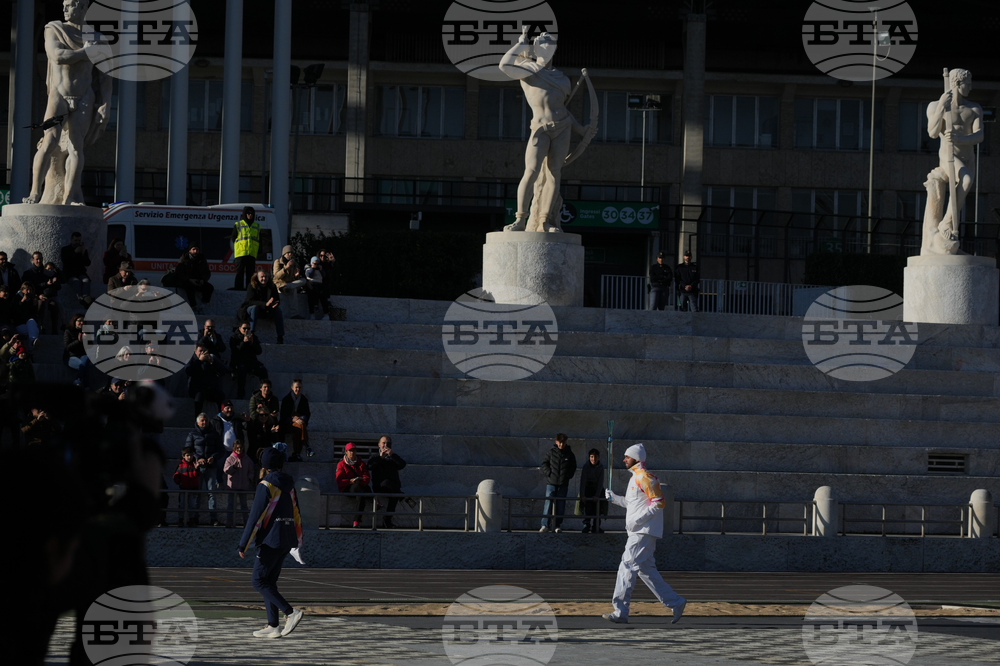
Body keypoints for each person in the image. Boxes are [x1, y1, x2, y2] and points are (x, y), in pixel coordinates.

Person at [499, 30, 592, 232]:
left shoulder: (562, 78)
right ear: (535, 48)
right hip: (540, 128)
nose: (546, 48)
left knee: (553, 173)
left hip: (563, 127)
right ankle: (520, 220)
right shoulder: (528, 69)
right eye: (542, 45)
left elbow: (562, 108)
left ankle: (545, 220)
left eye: (550, 45)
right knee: (531, 172)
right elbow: (504, 65)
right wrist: (522, 43)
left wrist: (580, 128)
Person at [22, 0, 112, 206]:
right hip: (59, 95)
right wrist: (86, 52)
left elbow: (106, 77)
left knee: (76, 148)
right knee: (49, 142)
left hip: (84, 98)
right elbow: (58, 56)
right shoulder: (54, 29)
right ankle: (35, 193)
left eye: (70, 5)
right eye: (63, 4)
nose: (64, 9)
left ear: (83, 8)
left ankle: (69, 197)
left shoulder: (98, 39)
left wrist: (106, 103)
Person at [602, 443, 686, 625]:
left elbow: (659, 502)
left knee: (627, 566)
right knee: (646, 571)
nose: (624, 459)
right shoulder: (634, 479)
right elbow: (631, 504)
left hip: (643, 532)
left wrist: (638, 520)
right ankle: (676, 602)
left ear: (636, 458)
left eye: (627, 456)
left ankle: (620, 611)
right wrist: (614, 498)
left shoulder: (647, 478)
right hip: (638, 531)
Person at [238, 447, 304, 639]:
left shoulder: (265, 485)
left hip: (270, 540)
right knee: (269, 582)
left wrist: (243, 543)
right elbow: (297, 513)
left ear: (264, 466)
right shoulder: (289, 484)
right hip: (286, 539)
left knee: (258, 580)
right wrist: (298, 540)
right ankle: (273, 625)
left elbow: (255, 516)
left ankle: (290, 612)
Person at [921, 68, 985, 255]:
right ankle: (947, 223)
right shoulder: (935, 105)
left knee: (965, 184)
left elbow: (979, 135)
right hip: (948, 156)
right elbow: (932, 133)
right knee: (965, 180)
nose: (971, 88)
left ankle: (948, 225)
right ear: (957, 84)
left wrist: (959, 139)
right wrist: (941, 106)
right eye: (968, 83)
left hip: (968, 156)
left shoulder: (974, 109)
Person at [187, 412, 224, 526]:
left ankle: (213, 518)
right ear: (197, 422)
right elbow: (187, 450)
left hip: (211, 467)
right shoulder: (192, 434)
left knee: (211, 493)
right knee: (197, 493)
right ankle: (194, 517)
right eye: (202, 420)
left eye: (206, 420)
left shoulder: (214, 434)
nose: (204, 422)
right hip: (198, 467)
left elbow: (221, 450)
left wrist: (213, 457)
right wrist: (198, 458)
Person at [539, 432, 577, 533]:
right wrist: (549, 473)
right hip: (551, 482)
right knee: (548, 503)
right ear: (556, 442)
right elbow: (544, 463)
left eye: (563, 443)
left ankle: (557, 525)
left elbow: (573, 466)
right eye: (560, 442)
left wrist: (568, 476)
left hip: (563, 484)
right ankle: (545, 525)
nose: (561, 445)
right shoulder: (551, 452)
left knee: (561, 504)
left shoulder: (569, 454)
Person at [368, 435, 407, 528]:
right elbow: (369, 466)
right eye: (383, 443)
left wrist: (392, 456)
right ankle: (400, 495)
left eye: (388, 443)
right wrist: (380, 458)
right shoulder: (375, 457)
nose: (386, 445)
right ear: (379, 445)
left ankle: (387, 520)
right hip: (380, 487)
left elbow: (402, 464)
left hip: (392, 488)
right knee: (390, 485)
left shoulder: (393, 456)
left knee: (395, 496)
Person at [240, 270, 284, 345]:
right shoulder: (252, 285)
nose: (264, 279)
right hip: (252, 309)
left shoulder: (272, 286)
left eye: (266, 277)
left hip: (267, 310)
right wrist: (265, 304)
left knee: (278, 311)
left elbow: (277, 299)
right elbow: (249, 301)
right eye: (262, 277)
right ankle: (252, 333)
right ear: (257, 278)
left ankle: (280, 336)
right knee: (254, 308)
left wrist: (275, 304)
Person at [185, 343, 228, 416]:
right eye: (200, 351)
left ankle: (221, 417)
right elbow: (189, 371)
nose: (202, 353)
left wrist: (212, 362)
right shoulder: (191, 359)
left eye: (204, 350)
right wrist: (199, 361)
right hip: (196, 389)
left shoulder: (211, 358)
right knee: (199, 397)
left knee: (221, 396)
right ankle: (197, 420)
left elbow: (223, 372)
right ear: (195, 351)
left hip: (210, 389)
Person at [336, 442, 371, 528]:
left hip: (359, 486)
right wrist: (350, 481)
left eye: (354, 450)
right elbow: (339, 480)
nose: (352, 453)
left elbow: (367, 477)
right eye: (350, 450)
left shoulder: (361, 463)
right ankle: (373, 500)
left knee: (361, 494)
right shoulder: (341, 464)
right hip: (347, 487)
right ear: (346, 452)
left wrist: (361, 480)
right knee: (361, 489)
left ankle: (356, 521)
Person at [230, 322, 268, 400]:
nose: (246, 330)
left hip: (252, 362)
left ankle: (263, 393)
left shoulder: (253, 337)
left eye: (248, 328)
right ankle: (240, 394)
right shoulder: (234, 338)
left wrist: (252, 343)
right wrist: (243, 342)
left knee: (263, 371)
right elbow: (236, 352)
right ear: (240, 328)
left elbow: (259, 351)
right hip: (239, 362)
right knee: (242, 370)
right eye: (244, 328)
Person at [223, 440, 256, 527]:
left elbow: (251, 471)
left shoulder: (247, 459)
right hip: (232, 486)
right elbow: (226, 470)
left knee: (244, 505)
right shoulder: (229, 459)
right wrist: (233, 467)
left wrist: (249, 479)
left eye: (241, 448)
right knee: (231, 505)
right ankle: (229, 521)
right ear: (234, 448)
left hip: (243, 486)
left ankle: (246, 522)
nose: (239, 449)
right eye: (237, 448)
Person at [280, 379, 313, 462]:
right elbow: (283, 416)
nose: (298, 389)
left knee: (300, 425)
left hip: (300, 422)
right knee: (300, 427)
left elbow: (307, 414)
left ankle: (298, 452)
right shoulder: (286, 399)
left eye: (300, 387)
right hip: (288, 423)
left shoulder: (304, 399)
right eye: (296, 387)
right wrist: (293, 419)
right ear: (292, 388)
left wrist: (301, 419)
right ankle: (306, 446)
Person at [175, 245, 214, 313]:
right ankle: (193, 306)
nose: (195, 251)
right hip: (187, 281)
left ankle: (202, 306)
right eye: (194, 249)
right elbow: (179, 273)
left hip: (198, 281)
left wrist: (203, 280)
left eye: (197, 249)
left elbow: (207, 272)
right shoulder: (184, 259)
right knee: (189, 287)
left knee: (209, 288)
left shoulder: (202, 259)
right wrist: (189, 279)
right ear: (190, 250)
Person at [231, 206, 260, 291]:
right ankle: (238, 290)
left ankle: (249, 290)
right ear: (244, 214)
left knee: (250, 275)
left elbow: (259, 240)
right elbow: (233, 238)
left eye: (251, 214)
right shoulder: (238, 225)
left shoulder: (257, 226)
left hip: (251, 254)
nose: (250, 215)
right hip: (241, 254)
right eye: (248, 213)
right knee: (239, 273)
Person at [273, 246, 306, 319]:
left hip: (289, 285)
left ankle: (287, 286)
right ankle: (294, 314)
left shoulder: (294, 263)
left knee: (303, 280)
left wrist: (296, 276)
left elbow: (293, 279)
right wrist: (286, 268)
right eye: (288, 253)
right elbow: (276, 276)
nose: (290, 254)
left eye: (291, 253)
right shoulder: (278, 262)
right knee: (293, 290)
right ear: (284, 254)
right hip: (280, 285)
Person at [172, 446, 202, 527]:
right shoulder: (181, 465)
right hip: (183, 489)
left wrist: (196, 468)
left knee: (192, 505)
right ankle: (181, 519)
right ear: (183, 456)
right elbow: (176, 476)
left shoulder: (195, 464)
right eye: (188, 455)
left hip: (193, 489)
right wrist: (179, 481)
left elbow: (197, 475)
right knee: (182, 504)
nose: (189, 457)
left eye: (191, 455)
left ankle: (191, 519)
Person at [578, 448, 606, 534]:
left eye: (595, 457)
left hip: (597, 489)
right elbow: (583, 481)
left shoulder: (601, 467)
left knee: (598, 509)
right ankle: (586, 525)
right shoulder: (586, 467)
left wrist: (597, 495)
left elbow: (600, 482)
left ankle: (596, 526)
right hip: (587, 489)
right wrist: (582, 495)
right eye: (592, 457)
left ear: (599, 457)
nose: (594, 459)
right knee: (587, 509)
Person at [246, 401, 282, 467]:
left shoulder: (270, 425)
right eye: (261, 415)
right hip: (255, 453)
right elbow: (254, 440)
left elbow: (274, 440)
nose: (264, 417)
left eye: (266, 415)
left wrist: (274, 432)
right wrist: (268, 432)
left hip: (267, 453)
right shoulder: (253, 425)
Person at [61, 231, 92, 303]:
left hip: (80, 273)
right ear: (71, 240)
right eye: (75, 240)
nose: (77, 242)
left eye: (79, 240)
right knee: (76, 282)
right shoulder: (65, 249)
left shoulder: (82, 250)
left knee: (86, 281)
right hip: (70, 274)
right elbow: (66, 262)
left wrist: (83, 252)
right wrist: (75, 252)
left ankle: (86, 298)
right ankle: (80, 299)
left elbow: (87, 263)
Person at [63, 313, 89, 387]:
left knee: (85, 360)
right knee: (83, 366)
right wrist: (78, 341)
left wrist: (87, 340)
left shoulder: (86, 331)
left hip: (82, 355)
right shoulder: (68, 331)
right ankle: (83, 384)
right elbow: (67, 347)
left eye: (83, 321)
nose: (82, 323)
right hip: (71, 356)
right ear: (75, 321)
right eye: (80, 321)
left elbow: (90, 347)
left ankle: (78, 381)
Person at [304, 256, 332, 320]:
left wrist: (321, 269)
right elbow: (309, 275)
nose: (316, 265)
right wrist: (313, 268)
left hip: (319, 284)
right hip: (312, 284)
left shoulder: (320, 269)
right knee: (311, 297)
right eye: (315, 263)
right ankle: (312, 313)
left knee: (323, 297)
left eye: (317, 264)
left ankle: (326, 313)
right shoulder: (308, 268)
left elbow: (324, 276)